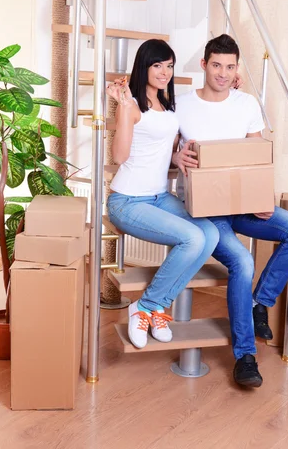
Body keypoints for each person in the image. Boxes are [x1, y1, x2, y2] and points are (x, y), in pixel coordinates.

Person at [172, 34, 288, 387]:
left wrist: (262, 198)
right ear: (204, 65)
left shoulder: (247, 103)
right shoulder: (181, 105)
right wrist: (176, 158)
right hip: (205, 212)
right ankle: (245, 356)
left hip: (244, 206)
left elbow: (255, 159)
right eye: (216, 65)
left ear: (237, 67)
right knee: (243, 262)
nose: (222, 73)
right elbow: (164, 151)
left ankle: (259, 303)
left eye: (230, 66)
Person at [106, 39, 219, 350]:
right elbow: (120, 157)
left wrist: (176, 158)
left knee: (209, 233)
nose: (165, 72)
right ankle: (144, 307)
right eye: (158, 65)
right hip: (127, 201)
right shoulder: (132, 105)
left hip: (158, 196)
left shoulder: (168, 105)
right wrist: (124, 108)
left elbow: (157, 150)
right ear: (144, 66)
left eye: (169, 66)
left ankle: (154, 306)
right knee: (192, 238)